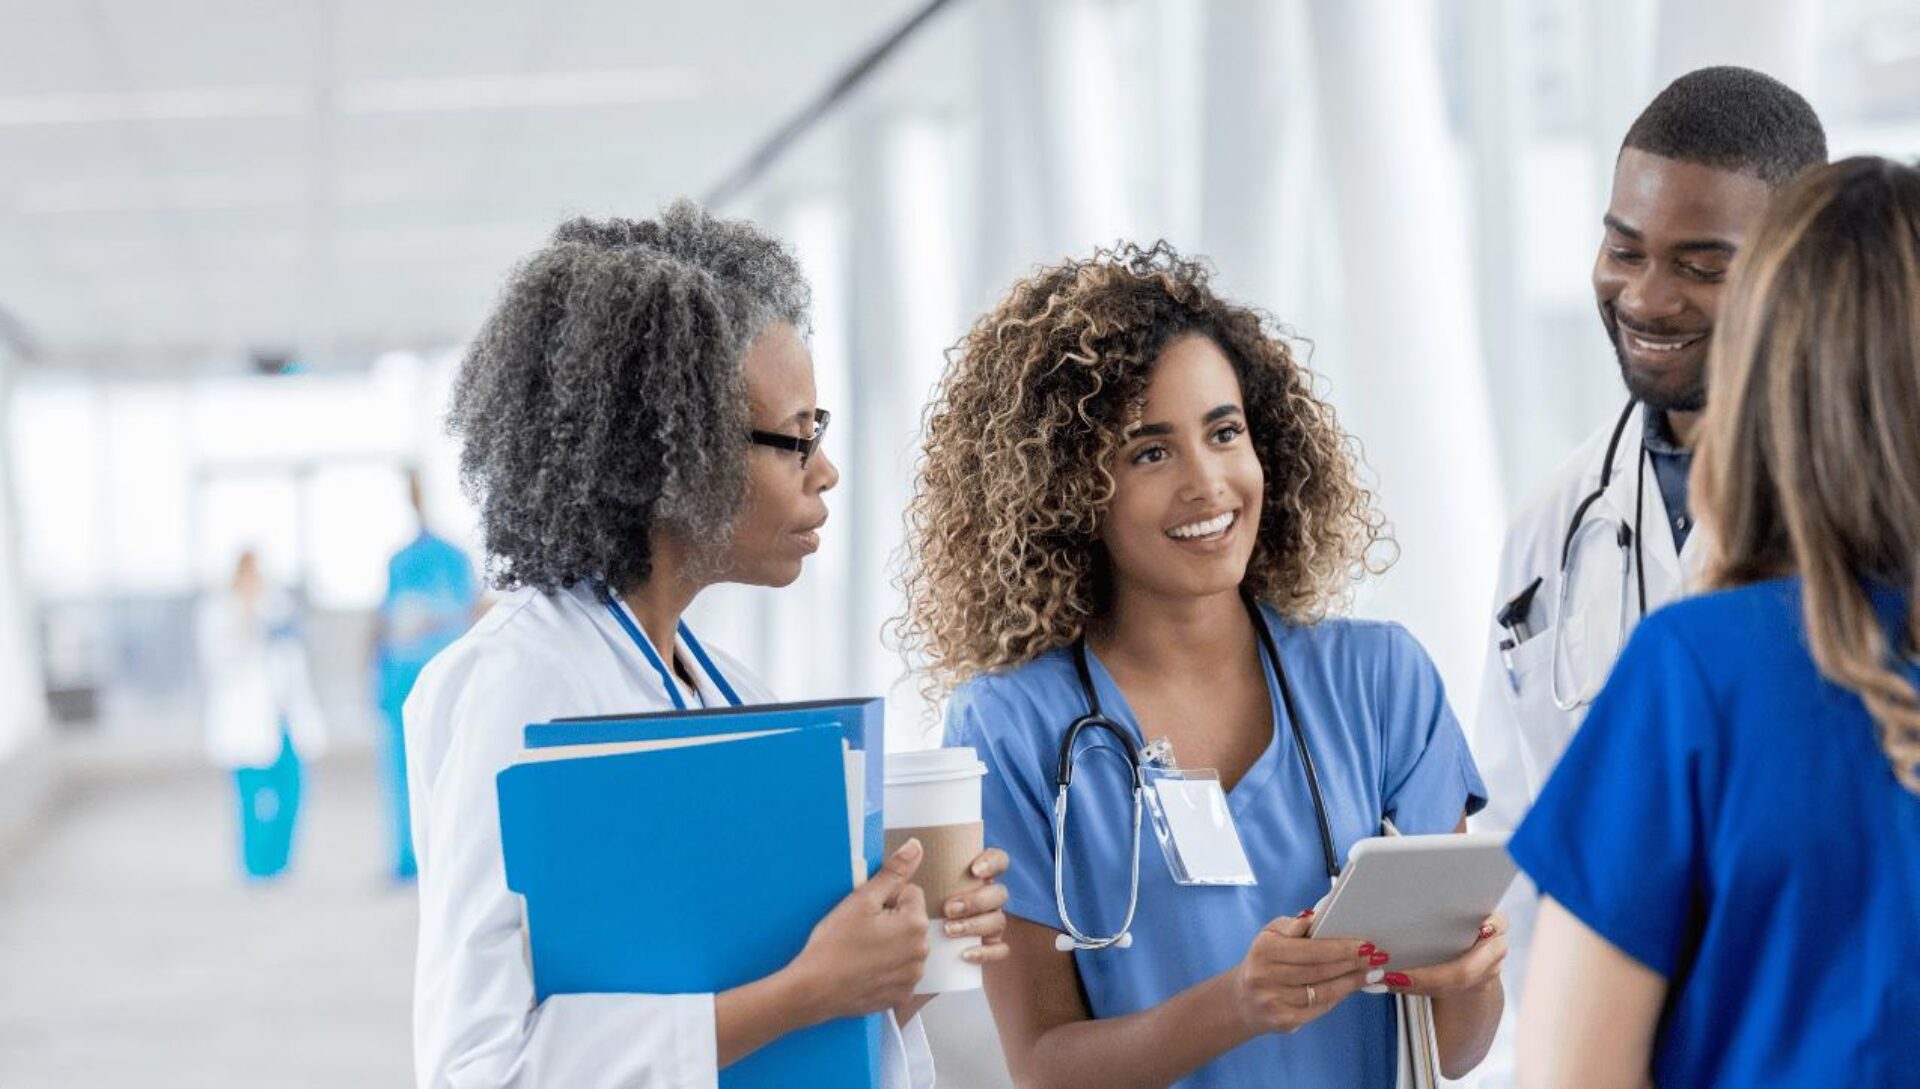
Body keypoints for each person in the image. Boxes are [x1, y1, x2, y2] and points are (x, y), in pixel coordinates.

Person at [403, 203, 1010, 1089]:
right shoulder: (518, 689)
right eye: (796, 437)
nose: (825, 469)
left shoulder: (738, 696)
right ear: (671, 454)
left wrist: (899, 964)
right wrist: (803, 991)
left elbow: (785, 1024)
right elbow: (479, 1068)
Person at [898, 242, 1502, 1088]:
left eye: (1225, 432)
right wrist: (1238, 1004)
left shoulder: (1381, 682)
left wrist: (1471, 976)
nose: (1208, 482)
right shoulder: (1009, 725)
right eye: (1151, 451)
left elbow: (1460, 1045)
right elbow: (1042, 1065)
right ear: (1070, 490)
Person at [1510, 155, 1920, 1089]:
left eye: (1703, 267)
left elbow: (1572, 1076)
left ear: (1769, 369)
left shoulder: (1702, 674)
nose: (1654, 298)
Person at [1472, 65, 1826, 1064]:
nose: (1646, 296)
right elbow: (1515, 837)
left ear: (1796, 264)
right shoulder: (1556, 520)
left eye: (1702, 265)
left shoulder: (1875, 513)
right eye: (1623, 248)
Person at [371, 469, 479, 880]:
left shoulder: (446, 558)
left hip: (431, 672)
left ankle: (432, 855)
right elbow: (385, 623)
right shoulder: (407, 560)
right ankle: (410, 857)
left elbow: (466, 612)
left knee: (440, 766)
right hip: (406, 676)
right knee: (408, 769)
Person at [197, 548, 328, 880]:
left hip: (285, 716)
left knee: (291, 793)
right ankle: (255, 866)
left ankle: (280, 863)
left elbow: (296, 653)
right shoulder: (219, 612)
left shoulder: (277, 606)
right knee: (252, 801)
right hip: (245, 723)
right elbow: (218, 660)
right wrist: (246, 620)